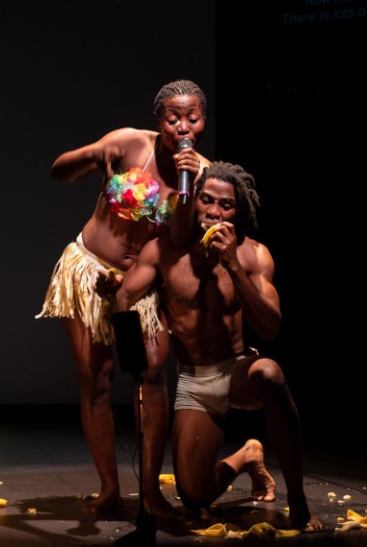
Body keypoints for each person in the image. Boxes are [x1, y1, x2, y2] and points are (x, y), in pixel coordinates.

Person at [104, 160, 323, 532]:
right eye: (207, 201)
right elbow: (123, 298)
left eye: (226, 205)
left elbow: (270, 328)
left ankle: (299, 502)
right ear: (194, 200)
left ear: (240, 211)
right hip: (194, 380)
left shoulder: (254, 255)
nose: (214, 212)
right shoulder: (166, 252)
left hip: (237, 369)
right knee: (194, 495)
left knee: (270, 373)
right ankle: (248, 456)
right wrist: (111, 294)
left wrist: (233, 265)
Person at [36, 79, 210, 515]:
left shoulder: (203, 173)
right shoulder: (129, 143)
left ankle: (150, 491)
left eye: (192, 117)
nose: (183, 126)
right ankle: (110, 488)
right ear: (159, 120)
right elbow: (59, 170)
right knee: (96, 379)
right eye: (173, 118)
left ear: (203, 120)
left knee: (152, 374)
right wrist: (92, 156)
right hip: (90, 270)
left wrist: (188, 193)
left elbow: (185, 239)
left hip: (143, 284)